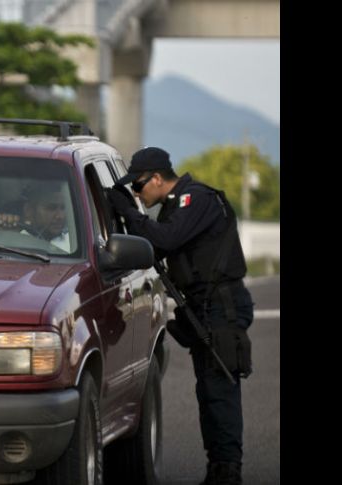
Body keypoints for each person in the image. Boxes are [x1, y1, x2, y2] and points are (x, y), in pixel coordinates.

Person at [105, 146, 253, 485]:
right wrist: (129, 217)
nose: (137, 194)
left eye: (138, 186)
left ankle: (228, 471)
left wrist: (130, 211)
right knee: (208, 392)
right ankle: (218, 468)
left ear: (157, 178)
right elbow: (154, 248)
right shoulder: (175, 206)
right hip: (204, 306)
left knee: (219, 390)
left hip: (222, 306)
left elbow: (166, 240)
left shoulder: (195, 199)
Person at [0, 184, 70, 251]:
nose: (60, 216)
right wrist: (7, 236)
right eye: (51, 208)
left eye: (63, 208)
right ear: (29, 210)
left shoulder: (72, 242)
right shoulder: (9, 234)